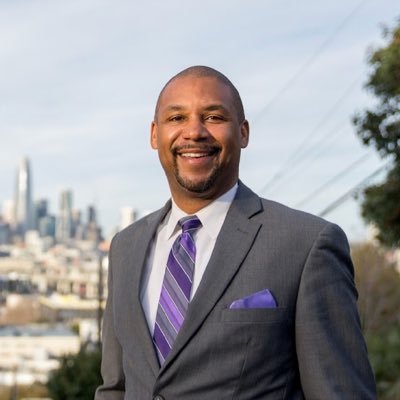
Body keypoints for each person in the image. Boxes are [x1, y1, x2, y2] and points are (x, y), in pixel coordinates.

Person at [95, 66, 376, 399]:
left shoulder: (307, 245)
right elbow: (116, 388)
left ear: (243, 133)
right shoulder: (125, 248)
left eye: (213, 117)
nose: (194, 132)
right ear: (155, 135)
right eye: (177, 118)